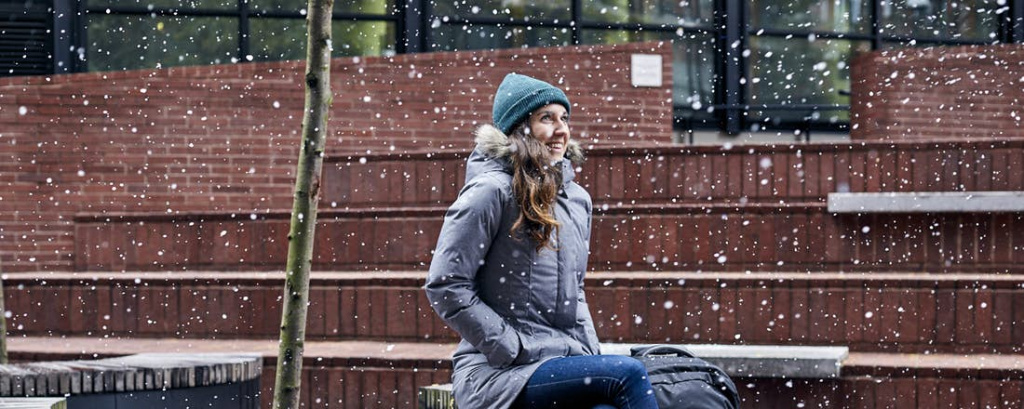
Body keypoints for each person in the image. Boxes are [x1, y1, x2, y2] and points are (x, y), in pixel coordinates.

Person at [424, 73, 659, 409]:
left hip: (559, 362)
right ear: (519, 128)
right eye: (546, 118)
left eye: (564, 118)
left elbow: (575, 291)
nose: (561, 129)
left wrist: (589, 355)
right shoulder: (490, 192)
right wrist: (510, 346)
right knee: (628, 374)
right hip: (499, 372)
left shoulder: (576, 199)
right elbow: (446, 285)